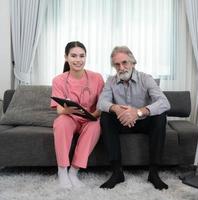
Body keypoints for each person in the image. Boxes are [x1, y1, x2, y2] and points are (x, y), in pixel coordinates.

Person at [97, 46, 170, 190]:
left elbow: (164, 102)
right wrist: (117, 109)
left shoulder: (146, 78)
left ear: (133, 63)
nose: (121, 67)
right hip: (122, 122)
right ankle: (117, 173)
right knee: (105, 116)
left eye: (125, 62)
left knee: (160, 116)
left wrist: (138, 112)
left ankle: (154, 173)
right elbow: (101, 103)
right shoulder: (111, 81)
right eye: (117, 64)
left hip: (143, 121)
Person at [51, 41, 104, 189]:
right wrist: (69, 110)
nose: (78, 60)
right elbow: (59, 110)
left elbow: (103, 104)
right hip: (70, 118)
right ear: (66, 57)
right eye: (73, 56)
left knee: (96, 125)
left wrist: (94, 114)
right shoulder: (58, 80)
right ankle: (62, 171)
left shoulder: (97, 78)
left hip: (90, 118)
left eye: (82, 56)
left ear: (86, 57)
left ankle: (74, 172)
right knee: (61, 122)